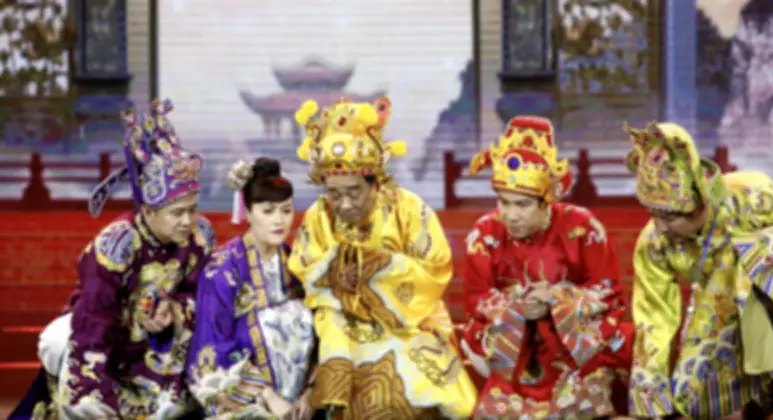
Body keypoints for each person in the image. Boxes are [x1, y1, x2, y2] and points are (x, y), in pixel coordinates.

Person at [229, 97, 478, 419]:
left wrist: (377, 267)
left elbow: (434, 270)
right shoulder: (319, 216)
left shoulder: (408, 209)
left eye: (353, 191)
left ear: (375, 182)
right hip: (343, 326)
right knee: (357, 389)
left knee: (412, 384)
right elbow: (308, 275)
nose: (344, 204)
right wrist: (337, 276)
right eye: (334, 193)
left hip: (407, 323)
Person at [11, 99, 215, 420]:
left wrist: (174, 309)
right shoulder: (118, 243)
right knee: (59, 343)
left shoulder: (199, 236)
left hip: (162, 339)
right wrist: (94, 393)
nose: (188, 221)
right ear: (148, 211)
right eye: (177, 213)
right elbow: (94, 318)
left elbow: (199, 294)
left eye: (192, 209)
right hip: (107, 331)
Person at [460, 115, 635, 419]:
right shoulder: (484, 233)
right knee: (481, 335)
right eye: (503, 202)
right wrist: (520, 305)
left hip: (568, 335)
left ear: (547, 202)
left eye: (522, 205)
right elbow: (478, 297)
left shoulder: (582, 227)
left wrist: (556, 300)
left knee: (610, 336)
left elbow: (607, 290)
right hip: (514, 336)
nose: (510, 215)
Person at [625, 121, 773, 419]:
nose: (660, 227)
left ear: (698, 202)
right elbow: (654, 318)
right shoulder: (654, 243)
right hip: (718, 309)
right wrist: (649, 403)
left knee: (761, 254)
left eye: (669, 217)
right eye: (653, 214)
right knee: (691, 397)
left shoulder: (749, 193)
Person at [187, 157, 317, 419]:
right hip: (249, 398)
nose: (280, 220)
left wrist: (312, 390)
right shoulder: (222, 270)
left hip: (301, 400)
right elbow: (214, 346)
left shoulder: (295, 262)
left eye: (286, 210)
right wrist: (267, 396)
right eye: (268, 211)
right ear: (247, 211)